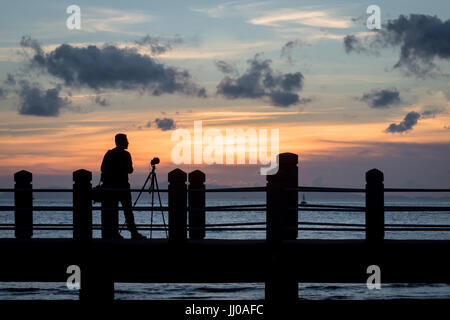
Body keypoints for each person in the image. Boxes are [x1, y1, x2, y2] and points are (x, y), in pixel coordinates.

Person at [100, 133, 146, 240]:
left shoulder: (109, 153)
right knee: (128, 211)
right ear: (120, 142)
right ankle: (134, 233)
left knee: (112, 211)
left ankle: (113, 233)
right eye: (126, 140)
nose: (128, 142)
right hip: (123, 187)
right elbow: (130, 170)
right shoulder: (126, 155)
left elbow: (103, 169)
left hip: (111, 187)